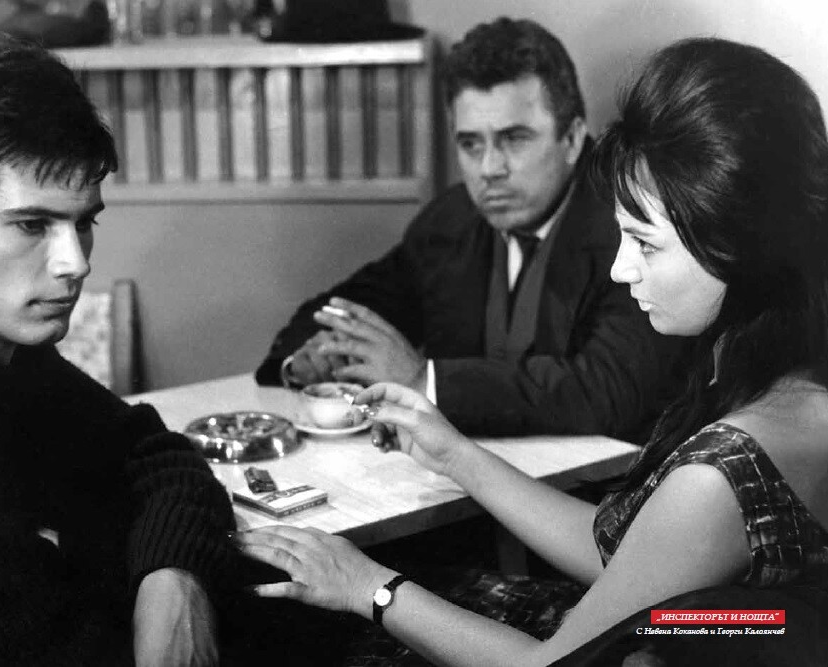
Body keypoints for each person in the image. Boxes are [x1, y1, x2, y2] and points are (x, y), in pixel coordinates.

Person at [235, 37, 828, 666]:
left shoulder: (722, 473)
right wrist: (456, 455)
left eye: (646, 244)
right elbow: (628, 555)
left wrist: (367, 587)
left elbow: (548, 666)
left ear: (739, 243)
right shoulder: (791, 393)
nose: (622, 269)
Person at [0, 33, 241, 665]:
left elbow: (153, 454)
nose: (75, 264)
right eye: (31, 224)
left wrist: (175, 581)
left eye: (84, 222)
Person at [255, 17, 688, 442]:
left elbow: (606, 390)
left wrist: (424, 381)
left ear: (573, 139)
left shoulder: (634, 224)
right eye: (470, 144)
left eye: (514, 139)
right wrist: (314, 357)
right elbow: (356, 305)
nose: (489, 169)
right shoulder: (452, 218)